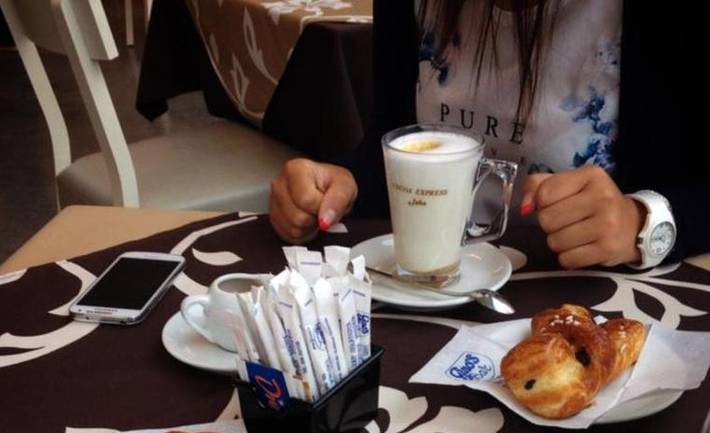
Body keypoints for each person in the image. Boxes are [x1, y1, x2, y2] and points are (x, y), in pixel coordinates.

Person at [269, 0, 710, 269]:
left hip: (589, 301)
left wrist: (643, 220)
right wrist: (346, 181)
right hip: (436, 289)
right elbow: (394, 138)